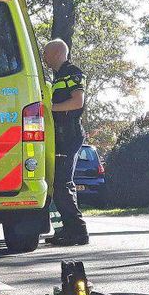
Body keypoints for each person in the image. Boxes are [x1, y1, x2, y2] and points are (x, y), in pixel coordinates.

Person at [43, 39, 89, 246]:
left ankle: (78, 231)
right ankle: (69, 230)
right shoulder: (59, 75)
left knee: (62, 185)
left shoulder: (72, 72)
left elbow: (77, 101)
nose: (44, 57)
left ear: (56, 53)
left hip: (68, 134)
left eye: (46, 53)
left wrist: (48, 109)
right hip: (61, 134)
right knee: (59, 185)